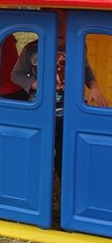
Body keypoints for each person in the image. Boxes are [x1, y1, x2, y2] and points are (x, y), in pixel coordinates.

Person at [10, 9, 109, 173]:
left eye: (64, 21)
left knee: (67, 150)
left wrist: (94, 86)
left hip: (71, 111)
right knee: (41, 148)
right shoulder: (31, 49)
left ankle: (63, 174)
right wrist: (36, 84)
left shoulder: (78, 45)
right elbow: (16, 75)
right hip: (41, 110)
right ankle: (39, 175)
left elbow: (85, 69)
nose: (60, 26)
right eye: (55, 21)